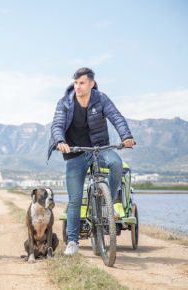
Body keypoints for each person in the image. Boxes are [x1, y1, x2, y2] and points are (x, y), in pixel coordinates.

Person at [47, 68, 135, 256]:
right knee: (75, 199)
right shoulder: (65, 103)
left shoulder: (101, 99)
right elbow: (57, 125)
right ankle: (72, 242)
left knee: (116, 164)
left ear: (91, 84)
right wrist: (60, 141)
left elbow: (116, 117)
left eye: (82, 83)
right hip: (76, 152)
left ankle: (107, 203)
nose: (78, 86)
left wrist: (126, 136)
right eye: (76, 83)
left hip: (99, 148)